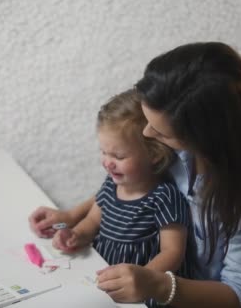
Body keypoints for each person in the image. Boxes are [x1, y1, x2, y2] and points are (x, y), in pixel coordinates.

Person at [29, 42, 241, 308]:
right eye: (148, 121)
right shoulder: (180, 149)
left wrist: (159, 286)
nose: (147, 134)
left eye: (160, 132)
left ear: (206, 140)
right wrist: (71, 217)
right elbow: (126, 188)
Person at [51, 89, 190, 308]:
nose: (107, 162)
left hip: (142, 295)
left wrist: (145, 279)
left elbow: (173, 252)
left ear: (153, 154)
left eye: (118, 156)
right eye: (103, 152)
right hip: (103, 282)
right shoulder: (111, 184)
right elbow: (92, 222)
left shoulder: (164, 197)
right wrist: (75, 234)